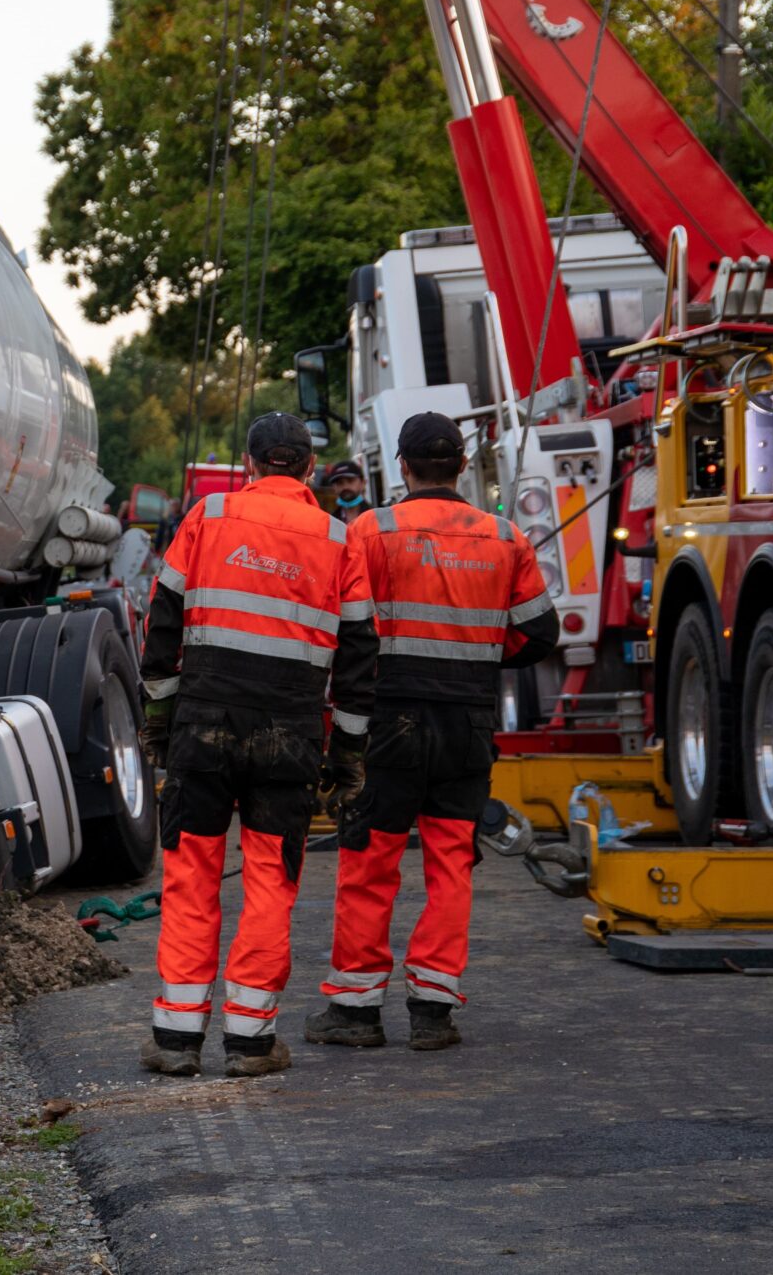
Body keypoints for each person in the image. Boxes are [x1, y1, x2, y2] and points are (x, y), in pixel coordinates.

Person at [306, 413, 558, 1053]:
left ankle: (357, 1012)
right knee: (452, 862)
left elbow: (339, 620)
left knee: (369, 860)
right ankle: (433, 1012)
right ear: (462, 465)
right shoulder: (504, 537)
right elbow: (539, 633)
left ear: (403, 465)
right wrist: (478, 654)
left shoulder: (370, 530)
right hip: (468, 721)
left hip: (389, 719)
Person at [136, 413, 349, 1079]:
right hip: (289, 730)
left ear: (250, 464)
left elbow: (161, 620)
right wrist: (347, 752)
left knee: (192, 870)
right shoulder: (339, 537)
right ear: (310, 469)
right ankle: (251, 1042)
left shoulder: (208, 516)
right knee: (268, 877)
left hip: (205, 720)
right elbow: (363, 650)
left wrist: (161, 719)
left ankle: (176, 1038)